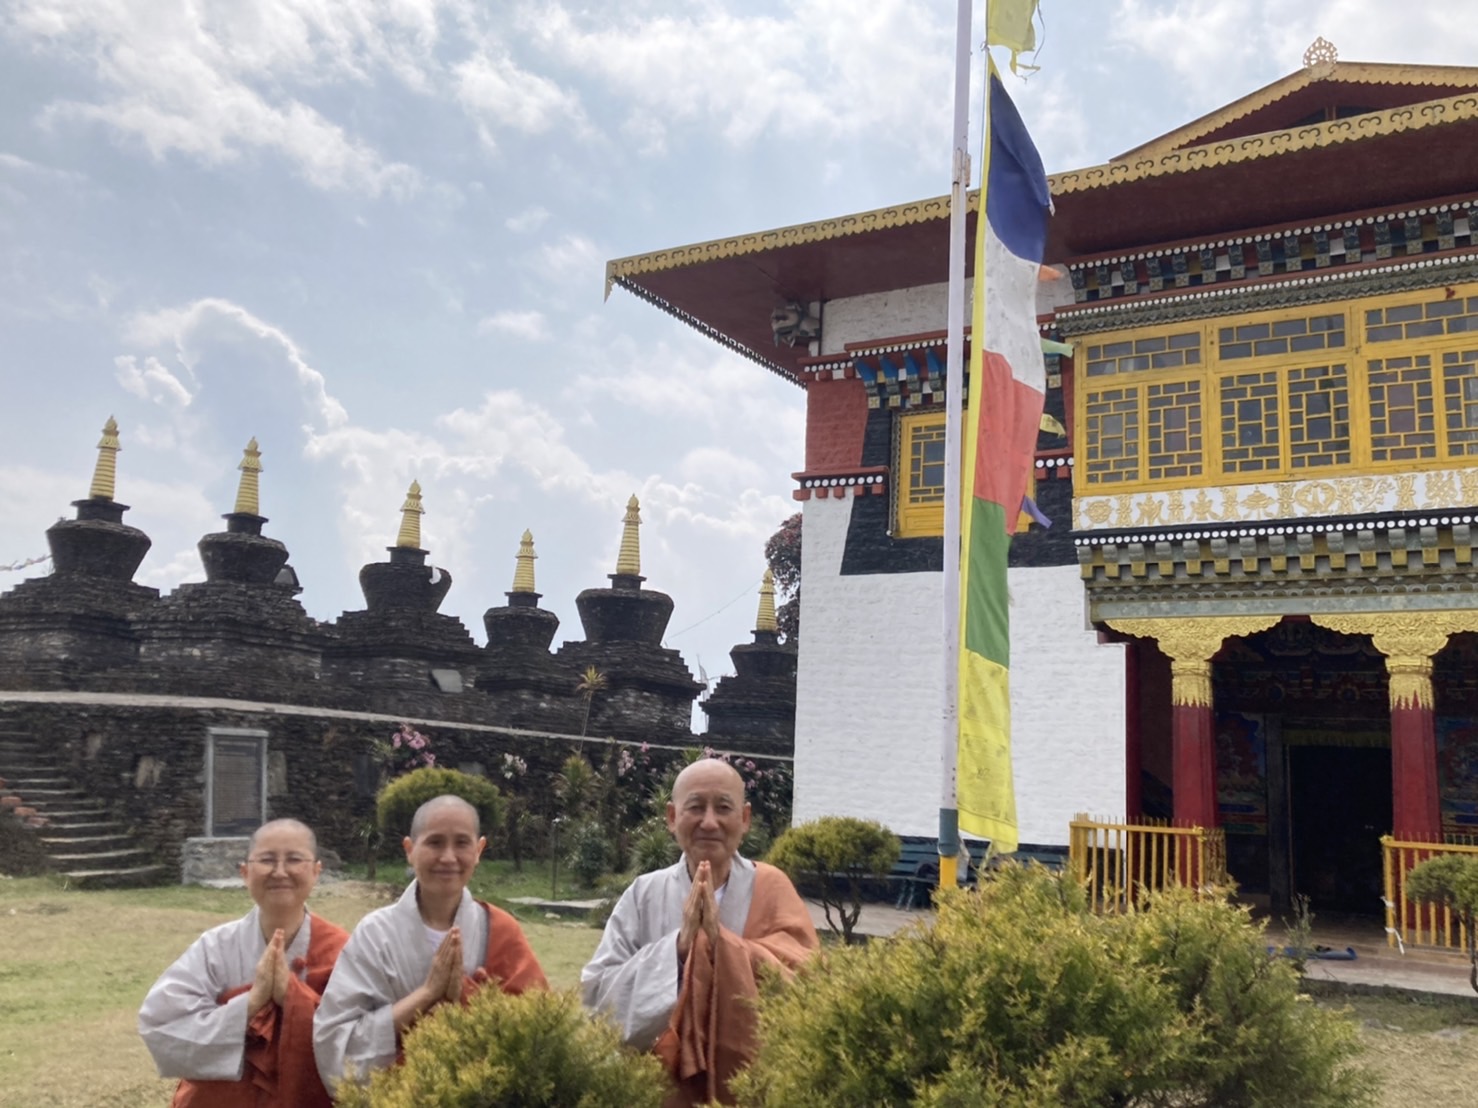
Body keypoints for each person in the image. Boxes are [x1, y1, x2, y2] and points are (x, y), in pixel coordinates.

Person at [582, 758, 819, 1106]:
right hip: (658, 1092)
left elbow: (808, 988)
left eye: (723, 808)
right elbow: (597, 996)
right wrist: (677, 950)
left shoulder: (773, 888)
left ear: (745, 818)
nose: (709, 822)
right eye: (695, 807)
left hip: (754, 1089)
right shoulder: (644, 894)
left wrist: (723, 945)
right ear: (672, 817)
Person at [313, 794, 547, 1091]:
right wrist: (427, 995)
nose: (448, 857)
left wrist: (468, 998)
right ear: (410, 850)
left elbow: (538, 1030)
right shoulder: (375, 934)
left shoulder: (500, 929)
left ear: (479, 850)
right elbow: (335, 1043)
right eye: (435, 843)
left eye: (461, 843)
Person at [138, 818, 348, 1108]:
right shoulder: (215, 947)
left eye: (294, 859)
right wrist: (251, 1003)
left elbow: (359, 1045)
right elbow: (161, 1026)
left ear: (316, 872)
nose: (280, 871)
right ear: (245, 872)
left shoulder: (343, 951)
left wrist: (292, 997)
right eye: (267, 860)